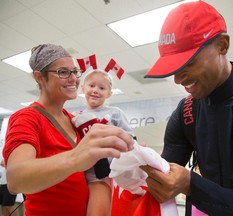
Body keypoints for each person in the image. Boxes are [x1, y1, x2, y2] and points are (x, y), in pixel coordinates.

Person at [141, 1, 233, 215]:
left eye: (188, 62)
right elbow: (164, 181)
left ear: (222, 45)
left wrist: (191, 185)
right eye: (173, 67)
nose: (177, 79)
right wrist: (139, 162)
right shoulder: (186, 112)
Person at [2, 44, 134, 216]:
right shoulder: (26, 118)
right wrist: (75, 158)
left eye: (75, 71)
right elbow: (15, 180)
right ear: (40, 77)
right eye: (63, 72)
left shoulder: (74, 120)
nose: (73, 78)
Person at [77, 69, 135, 216]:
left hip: (109, 171)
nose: (96, 90)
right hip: (85, 172)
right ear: (83, 88)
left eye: (102, 88)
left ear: (109, 93)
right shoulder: (77, 118)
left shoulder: (115, 113)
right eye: (91, 86)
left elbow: (130, 136)